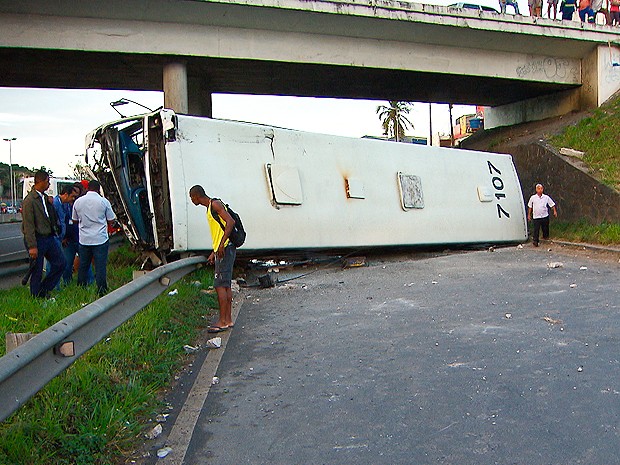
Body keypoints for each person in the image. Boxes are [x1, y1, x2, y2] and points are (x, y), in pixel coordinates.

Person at [189, 185, 236, 333]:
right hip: (222, 249)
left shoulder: (214, 204)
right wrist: (214, 251)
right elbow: (218, 231)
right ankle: (228, 320)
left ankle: (222, 321)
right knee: (225, 284)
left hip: (225, 249)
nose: (191, 200)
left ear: (196, 196)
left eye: (191, 197)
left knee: (220, 285)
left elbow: (230, 222)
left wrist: (221, 246)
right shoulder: (209, 208)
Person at [21, 170, 66, 298]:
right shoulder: (29, 201)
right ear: (40, 181)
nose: (48, 184)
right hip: (37, 239)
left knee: (60, 263)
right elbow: (28, 225)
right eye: (47, 181)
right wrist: (32, 246)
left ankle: (44, 290)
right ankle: (36, 296)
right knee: (37, 271)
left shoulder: (45, 198)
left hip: (49, 237)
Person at [72, 179, 116, 296]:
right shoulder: (104, 202)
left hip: (84, 240)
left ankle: (81, 288)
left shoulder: (78, 202)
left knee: (83, 266)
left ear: (87, 188)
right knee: (100, 266)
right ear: (98, 189)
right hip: (100, 239)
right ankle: (102, 290)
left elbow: (75, 220)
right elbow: (111, 219)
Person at [46, 184, 80, 286]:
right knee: (54, 264)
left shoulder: (64, 204)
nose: (73, 199)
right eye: (72, 196)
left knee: (60, 263)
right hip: (55, 237)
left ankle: (56, 285)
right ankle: (51, 286)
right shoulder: (55, 204)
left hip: (61, 237)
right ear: (65, 194)